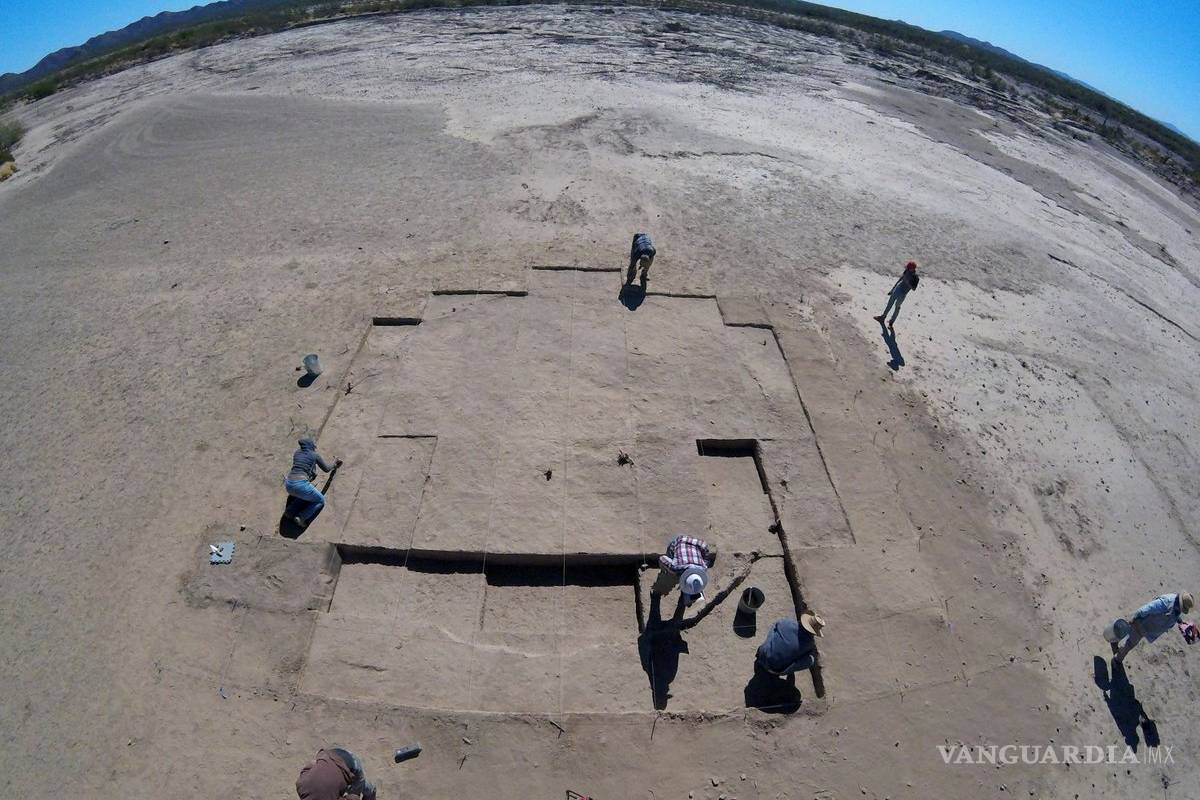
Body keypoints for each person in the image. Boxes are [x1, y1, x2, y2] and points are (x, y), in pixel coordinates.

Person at [1113, 591, 1194, 663]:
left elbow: (1173, 613)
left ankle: (1115, 640)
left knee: (1127, 632)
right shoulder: (1165, 603)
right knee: (1130, 642)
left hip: (1147, 627)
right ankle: (1118, 659)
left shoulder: (1176, 607)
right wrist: (1134, 617)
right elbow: (1147, 609)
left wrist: (1179, 621)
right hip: (1141, 623)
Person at [285, 437, 341, 529]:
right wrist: (335, 462)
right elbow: (326, 469)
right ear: (310, 445)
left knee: (304, 495)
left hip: (289, 483)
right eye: (313, 444)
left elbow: (302, 467)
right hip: (301, 484)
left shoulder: (297, 453)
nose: (315, 446)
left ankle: (289, 511)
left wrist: (311, 475)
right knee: (320, 500)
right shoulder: (314, 455)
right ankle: (301, 518)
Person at [651, 534, 716, 606]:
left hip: (697, 542)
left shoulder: (703, 568)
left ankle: (689, 593)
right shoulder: (676, 568)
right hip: (677, 541)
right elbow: (662, 558)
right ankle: (688, 595)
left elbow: (706, 553)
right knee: (670, 555)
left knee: (691, 585)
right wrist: (668, 571)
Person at [755, 613, 825, 677]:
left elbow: (776, 625)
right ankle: (781, 671)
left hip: (762, 653)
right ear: (814, 632)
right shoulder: (809, 644)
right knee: (810, 660)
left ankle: (765, 649)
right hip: (773, 668)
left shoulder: (787, 622)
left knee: (775, 627)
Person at [296, 747, 376, 800]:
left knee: (355, 790)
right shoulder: (301, 786)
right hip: (332, 753)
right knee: (353, 784)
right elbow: (310, 765)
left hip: (353, 765)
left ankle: (371, 791)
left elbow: (353, 798)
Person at [873, 261, 919, 328]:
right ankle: (883, 317)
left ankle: (891, 323)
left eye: (909, 268)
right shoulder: (906, 271)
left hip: (903, 293)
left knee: (897, 307)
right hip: (898, 289)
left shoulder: (915, 278)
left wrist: (908, 282)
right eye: (908, 268)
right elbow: (900, 279)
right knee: (890, 303)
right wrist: (892, 289)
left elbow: (914, 288)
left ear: (913, 269)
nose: (908, 269)